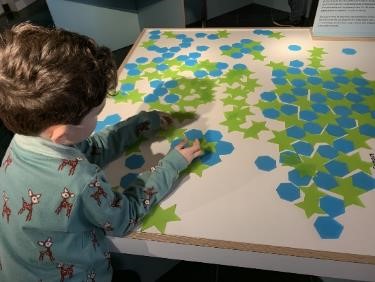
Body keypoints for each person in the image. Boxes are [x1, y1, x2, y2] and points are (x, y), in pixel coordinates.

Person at [0, 22, 202, 282]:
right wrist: (172, 164)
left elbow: (90, 149)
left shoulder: (24, 137)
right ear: (62, 132)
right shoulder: (80, 181)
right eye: (96, 114)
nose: (99, 117)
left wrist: (139, 125)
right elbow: (125, 217)